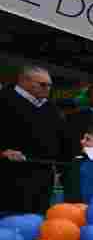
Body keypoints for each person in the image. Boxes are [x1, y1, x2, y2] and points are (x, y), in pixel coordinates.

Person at [1, 65, 63, 216]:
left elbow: (62, 138)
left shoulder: (51, 108)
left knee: (37, 220)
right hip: (8, 176)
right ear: (24, 81)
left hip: (42, 178)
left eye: (50, 85)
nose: (47, 89)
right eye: (42, 84)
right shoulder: (3, 100)